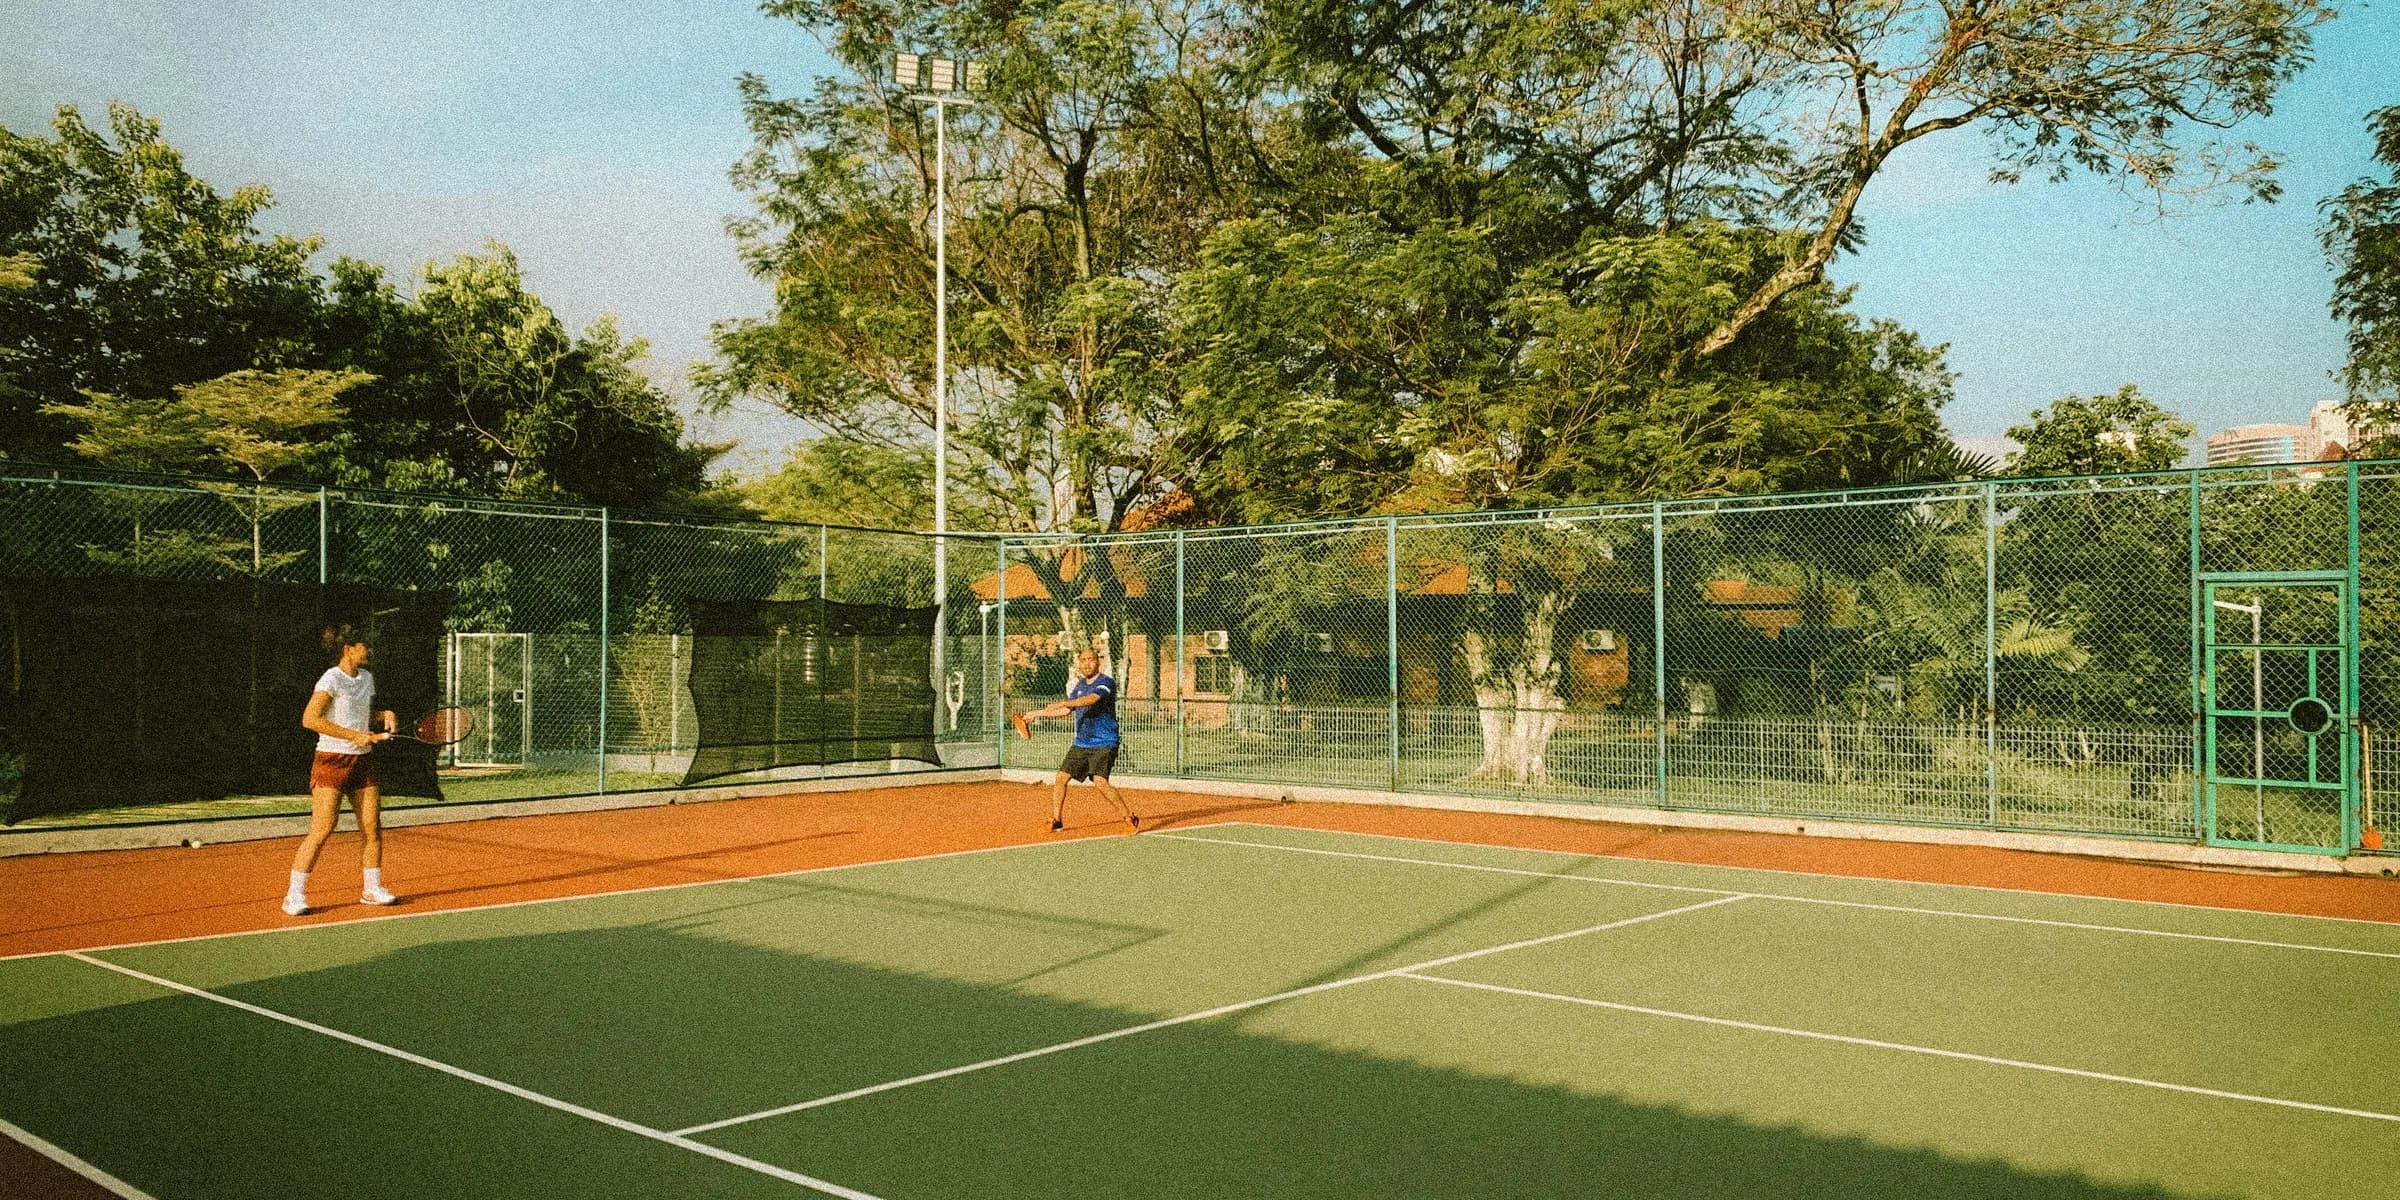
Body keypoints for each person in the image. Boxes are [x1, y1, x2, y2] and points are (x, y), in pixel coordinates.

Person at [284, 625, 399, 915]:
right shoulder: (331, 678)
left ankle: (371, 889)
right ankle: (294, 896)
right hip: (331, 760)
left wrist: (383, 715)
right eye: (364, 646)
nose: (369, 651)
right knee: (323, 828)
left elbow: (359, 717)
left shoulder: (367, 679)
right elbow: (310, 719)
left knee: (372, 828)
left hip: (363, 761)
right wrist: (352, 736)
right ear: (348, 649)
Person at [1014, 648, 1140, 833]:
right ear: (1079, 664)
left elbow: (1090, 700)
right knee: (1061, 778)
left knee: (1100, 781)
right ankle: (1057, 819)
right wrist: (1037, 713)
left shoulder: (1106, 682)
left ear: (1098, 662)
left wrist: (1063, 702)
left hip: (1104, 742)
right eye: (1083, 660)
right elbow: (1066, 711)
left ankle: (1129, 818)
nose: (1087, 663)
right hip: (1082, 742)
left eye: (1090, 659)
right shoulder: (1080, 685)